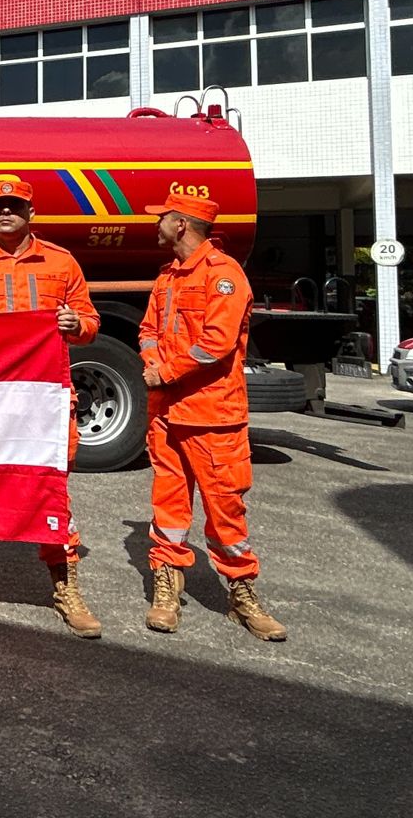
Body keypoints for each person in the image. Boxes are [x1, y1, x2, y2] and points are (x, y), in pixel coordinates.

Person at [0, 180, 104, 638]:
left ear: (31, 212)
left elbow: (90, 321)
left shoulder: (61, 261)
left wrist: (76, 323)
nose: (6, 212)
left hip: (44, 399)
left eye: (15, 206)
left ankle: (65, 588)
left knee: (51, 491)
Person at [139, 191, 286, 641]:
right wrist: (151, 360)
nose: (157, 224)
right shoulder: (167, 276)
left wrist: (164, 372)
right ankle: (167, 588)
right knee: (169, 507)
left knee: (226, 512)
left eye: (163, 217)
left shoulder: (224, 275)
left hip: (212, 416)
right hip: (167, 414)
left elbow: (216, 344)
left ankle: (242, 595)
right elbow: (148, 330)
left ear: (181, 224)